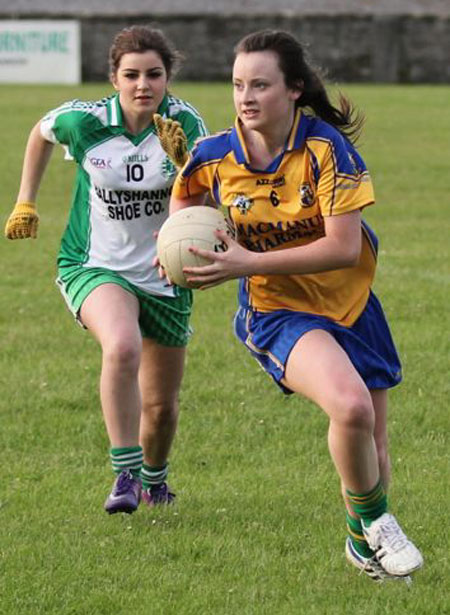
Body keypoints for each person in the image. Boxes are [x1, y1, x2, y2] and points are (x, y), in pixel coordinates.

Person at [167, 29, 423, 581]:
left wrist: (245, 260)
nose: (245, 97)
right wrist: (182, 243)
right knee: (350, 407)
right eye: (238, 85)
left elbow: (343, 247)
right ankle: (378, 520)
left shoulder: (328, 148)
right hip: (278, 310)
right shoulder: (214, 155)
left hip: (352, 303)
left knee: (373, 441)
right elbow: (185, 197)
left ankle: (360, 542)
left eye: (260, 84)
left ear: (295, 90)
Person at [5, 25, 207, 514]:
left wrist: (189, 167)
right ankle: (125, 473)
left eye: (154, 75)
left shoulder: (186, 126)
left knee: (160, 409)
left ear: (167, 78)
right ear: (114, 78)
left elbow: (208, 202)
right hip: (94, 264)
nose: (143, 85)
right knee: (121, 345)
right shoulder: (85, 121)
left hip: (163, 273)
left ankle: (155, 482)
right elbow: (40, 132)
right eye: (131, 74)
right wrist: (25, 201)